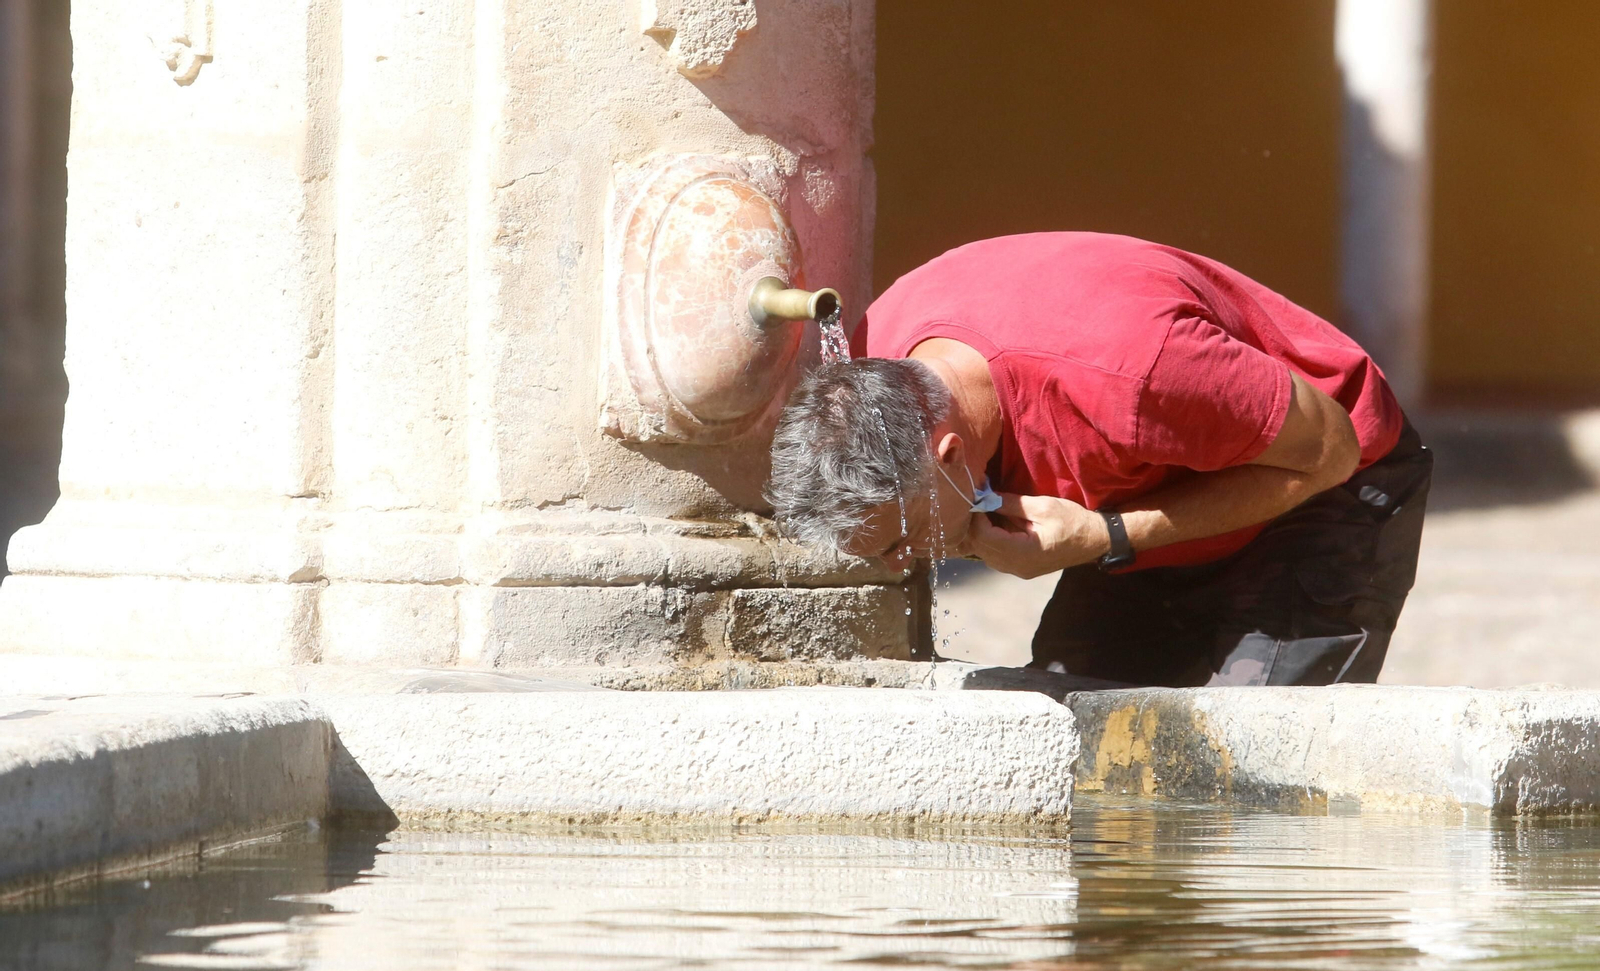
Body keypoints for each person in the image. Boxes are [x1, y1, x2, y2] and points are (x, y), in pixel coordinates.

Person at [765, 232, 1431, 687]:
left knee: (1255, 773)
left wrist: (1108, 535)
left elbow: (1331, 449)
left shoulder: (1135, 374)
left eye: (902, 539)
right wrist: (1104, 536)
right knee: (1082, 763)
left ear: (949, 453)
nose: (899, 564)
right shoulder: (869, 367)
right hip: (1140, 493)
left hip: (1322, 485)